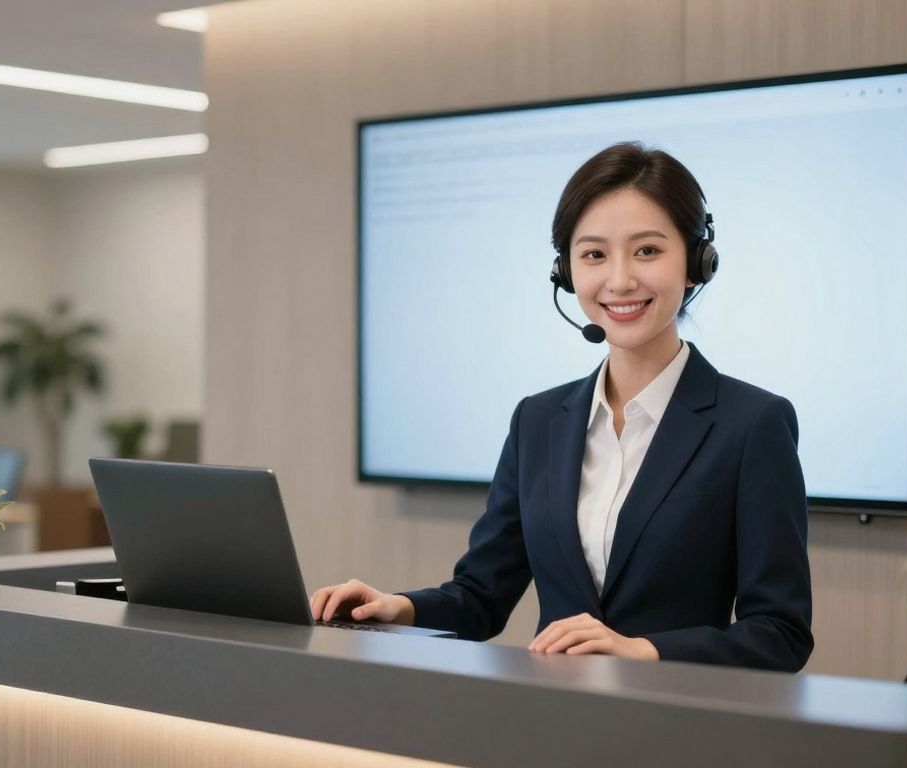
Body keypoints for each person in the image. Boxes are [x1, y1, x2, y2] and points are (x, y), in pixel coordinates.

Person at [312, 142, 813, 672]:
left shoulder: (753, 424)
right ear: (566, 272)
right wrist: (400, 608)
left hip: (676, 727)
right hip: (551, 723)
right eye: (594, 254)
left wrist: (642, 651)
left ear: (696, 263)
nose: (619, 280)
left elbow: (779, 634)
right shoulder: (537, 421)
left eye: (647, 250)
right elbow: (481, 597)